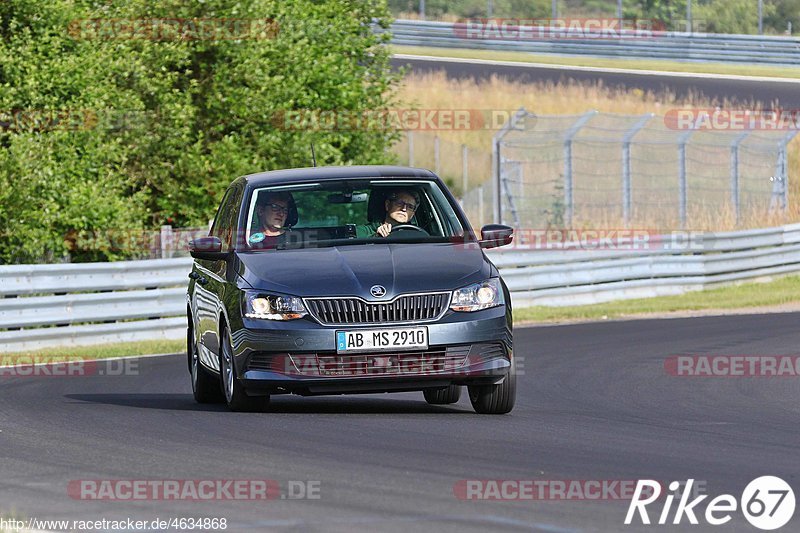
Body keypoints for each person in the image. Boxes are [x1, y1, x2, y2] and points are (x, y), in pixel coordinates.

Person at [356, 189, 422, 238]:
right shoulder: (362, 231)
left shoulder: (417, 235)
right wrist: (376, 236)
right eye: (399, 203)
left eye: (410, 207)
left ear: (413, 214)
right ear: (387, 205)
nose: (404, 209)